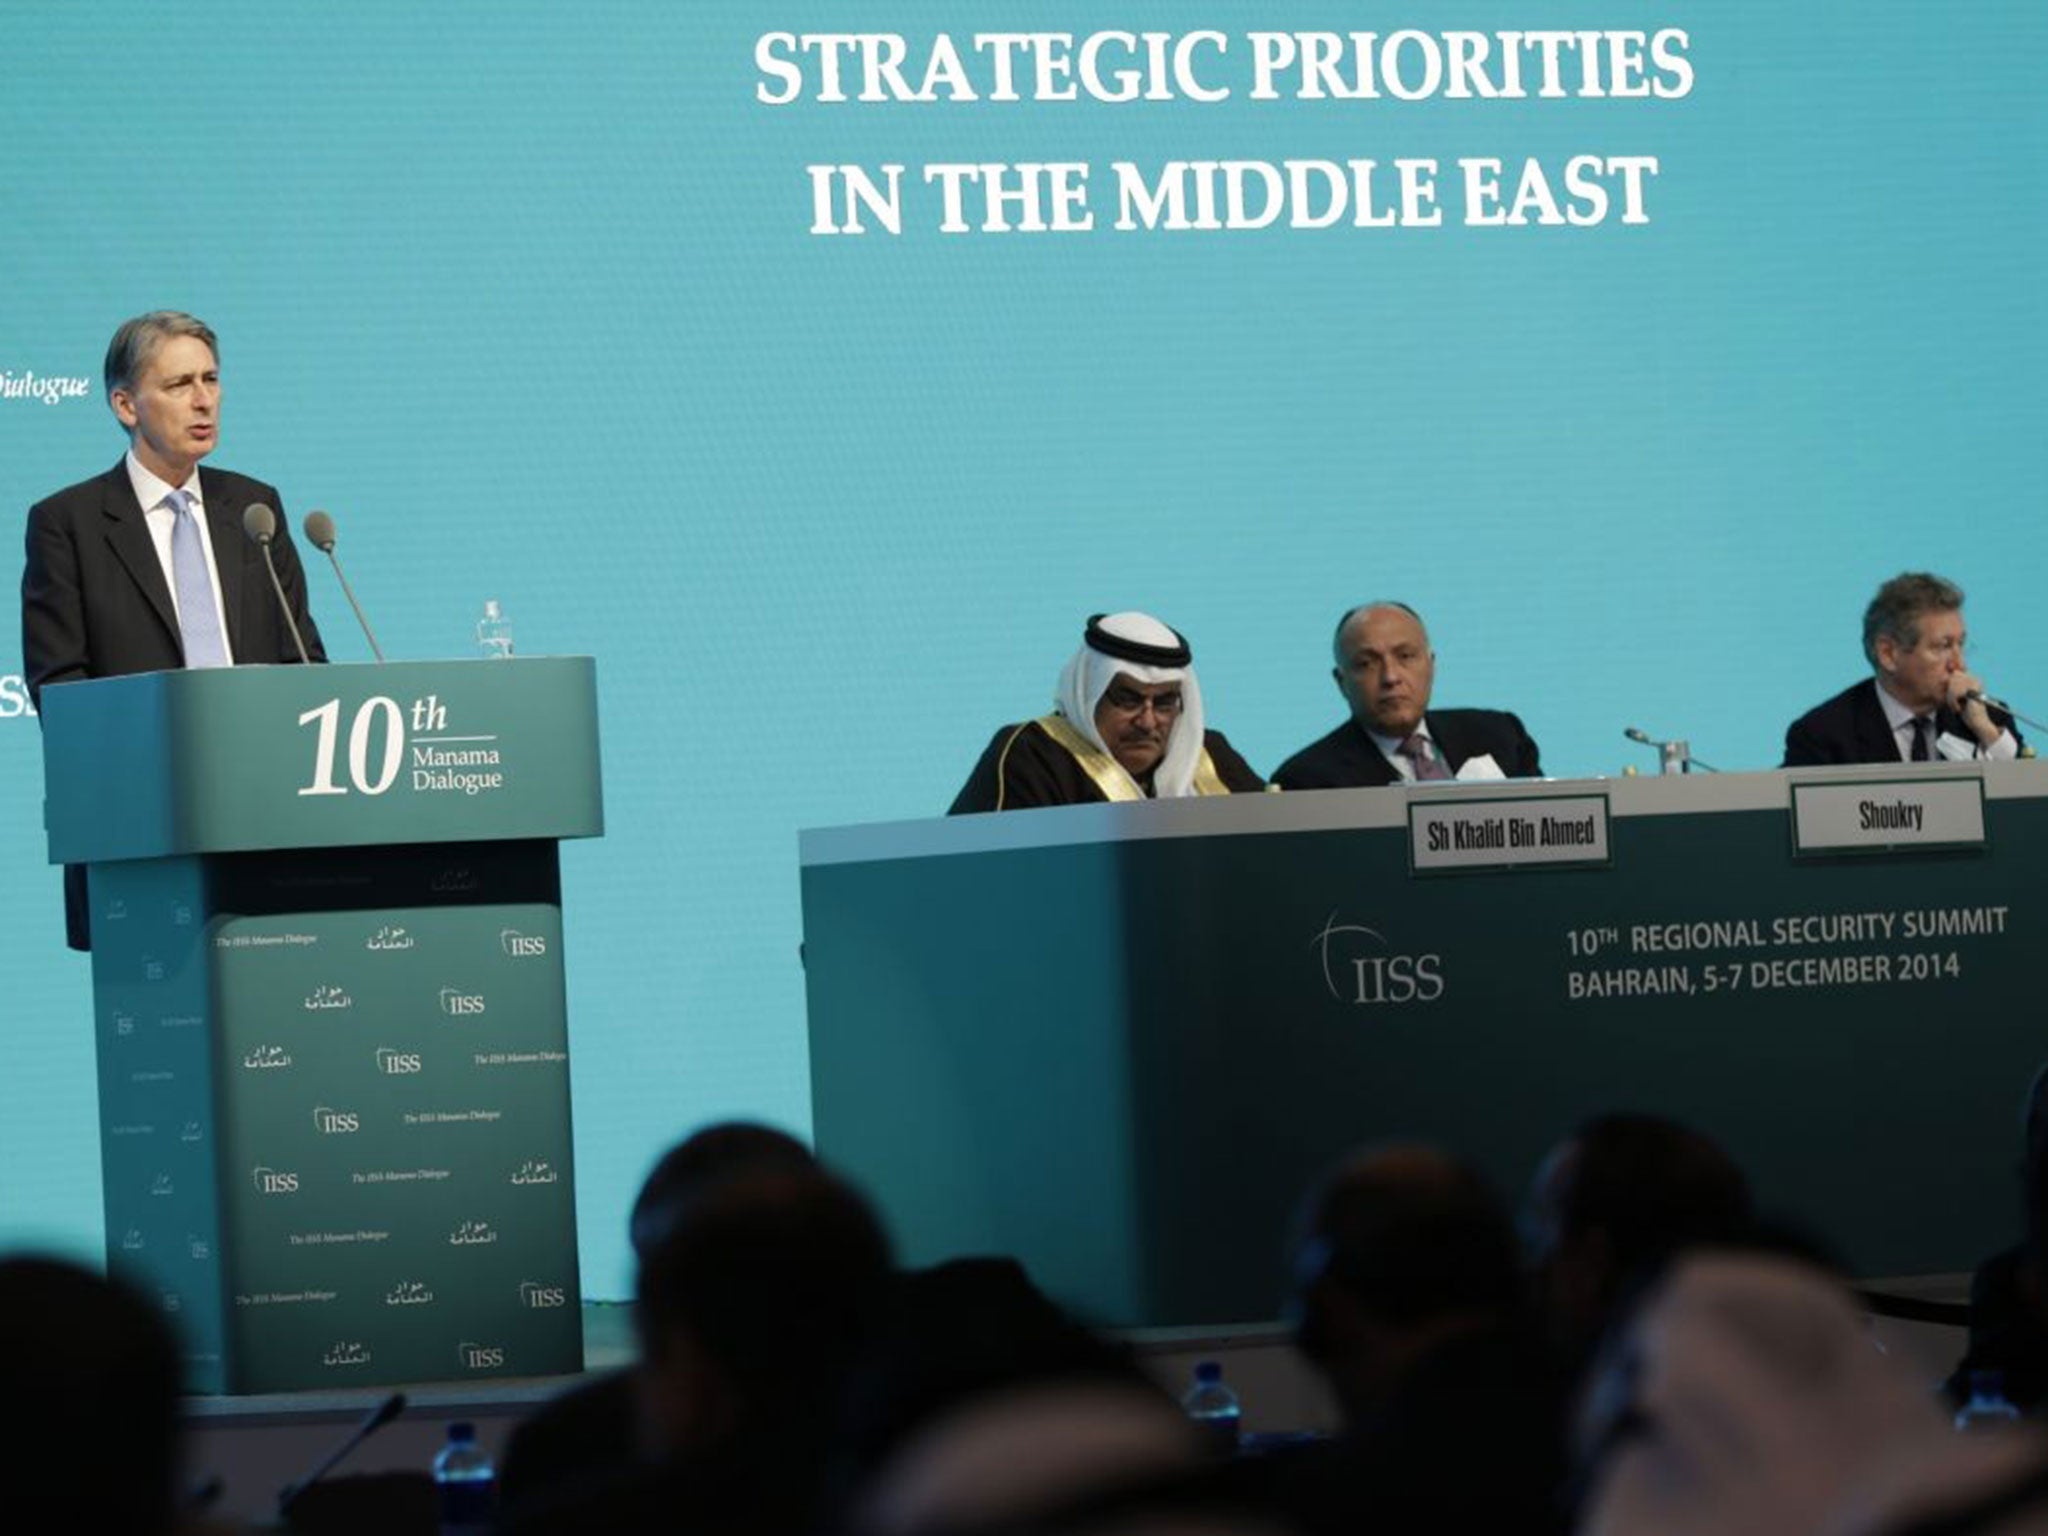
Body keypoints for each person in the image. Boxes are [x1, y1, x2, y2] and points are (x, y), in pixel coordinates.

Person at [22, 311, 325, 948]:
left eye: (211, 379)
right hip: (139, 830)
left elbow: (305, 666)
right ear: (126, 404)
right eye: (179, 383)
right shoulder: (68, 524)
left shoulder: (254, 509)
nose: (203, 399)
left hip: (266, 820)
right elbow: (61, 692)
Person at [949, 612, 1265, 813]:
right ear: (1089, 694)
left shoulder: (1210, 756)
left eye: (1165, 703)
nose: (1147, 721)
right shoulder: (1035, 756)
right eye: (1128, 699)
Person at [1273, 602, 1542, 789]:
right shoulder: (1307, 781)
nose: (1391, 677)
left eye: (1405, 656)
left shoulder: (1501, 735)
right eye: (1367, 663)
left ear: (1431, 665)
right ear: (1341, 682)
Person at [1783, 572, 2020, 767]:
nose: (1960, 665)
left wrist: (1986, 732)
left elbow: (2030, 809)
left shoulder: (1989, 719)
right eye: (1944, 646)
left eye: (1961, 644)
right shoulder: (1824, 736)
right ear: (1888, 654)